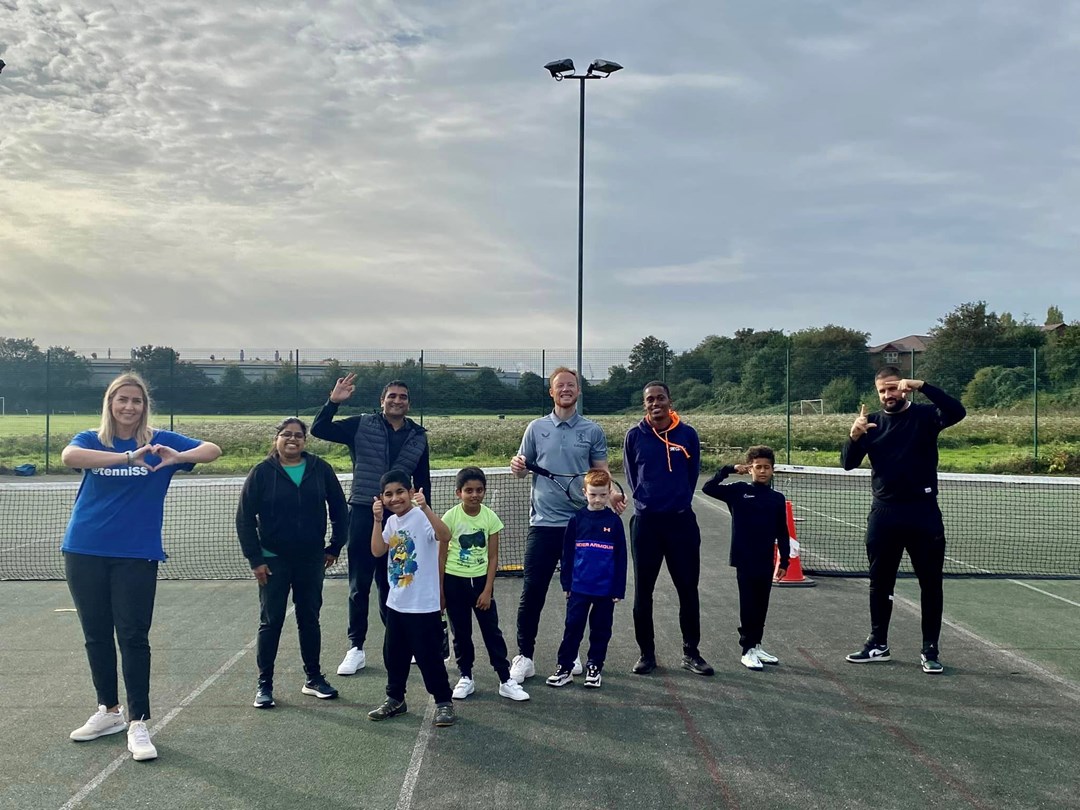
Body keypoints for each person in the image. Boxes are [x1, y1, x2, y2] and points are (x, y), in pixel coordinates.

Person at [61, 373, 221, 761]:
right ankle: (109, 711)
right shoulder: (91, 439)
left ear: (144, 406)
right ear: (110, 404)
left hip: (136, 553)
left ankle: (138, 723)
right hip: (84, 549)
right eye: (122, 400)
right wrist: (129, 457)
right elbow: (70, 457)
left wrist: (177, 456)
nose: (129, 407)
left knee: (133, 636)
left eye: (136, 401)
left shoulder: (161, 440)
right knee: (96, 634)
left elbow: (213, 449)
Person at [840, 367, 966, 674]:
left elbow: (957, 411)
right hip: (884, 515)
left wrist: (924, 385)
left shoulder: (925, 417)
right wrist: (854, 436)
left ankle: (930, 649)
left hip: (923, 513)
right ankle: (877, 644)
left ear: (904, 388)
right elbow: (847, 464)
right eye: (882, 390)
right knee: (879, 583)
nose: (888, 395)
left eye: (893, 388)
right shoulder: (872, 424)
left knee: (931, 585)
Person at [508, 367, 625, 683]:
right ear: (551, 392)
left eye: (571, 385)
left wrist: (612, 494)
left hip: (581, 525)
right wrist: (516, 465)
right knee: (532, 592)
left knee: (578, 592)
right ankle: (525, 656)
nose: (566, 390)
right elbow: (521, 468)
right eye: (560, 386)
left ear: (578, 391)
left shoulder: (592, 430)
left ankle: (570, 654)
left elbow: (600, 472)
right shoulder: (535, 428)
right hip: (543, 523)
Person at [311, 375, 431, 677]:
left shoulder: (418, 436)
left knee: (394, 582)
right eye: (392, 396)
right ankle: (356, 648)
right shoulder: (361, 424)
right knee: (359, 585)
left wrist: (426, 517)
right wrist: (334, 401)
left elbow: (423, 481)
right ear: (382, 401)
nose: (397, 401)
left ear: (408, 403)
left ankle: (400, 643)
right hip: (365, 513)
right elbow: (319, 428)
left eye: (403, 397)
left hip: (401, 519)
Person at [236, 418, 349, 709]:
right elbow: (245, 518)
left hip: (311, 559)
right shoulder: (261, 472)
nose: (292, 440)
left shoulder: (320, 469)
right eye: (286, 435)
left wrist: (334, 545)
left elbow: (339, 509)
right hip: (273, 561)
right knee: (270, 622)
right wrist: (256, 559)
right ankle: (265, 685)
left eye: (298, 436)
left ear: (305, 441)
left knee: (309, 619)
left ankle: (313, 679)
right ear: (277, 439)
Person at [623, 381, 713, 677]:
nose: (655, 403)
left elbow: (692, 475)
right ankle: (646, 654)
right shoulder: (634, 436)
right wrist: (649, 504)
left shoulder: (687, 435)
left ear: (669, 401)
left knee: (687, 589)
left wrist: (676, 503)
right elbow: (632, 478)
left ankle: (691, 653)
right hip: (646, 524)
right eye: (650, 399)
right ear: (644, 404)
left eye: (660, 398)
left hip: (681, 523)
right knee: (643, 592)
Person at [367, 470, 457, 727]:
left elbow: (445, 535)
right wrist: (376, 520)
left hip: (423, 605)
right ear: (382, 498)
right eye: (388, 494)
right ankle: (395, 699)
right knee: (393, 655)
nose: (395, 498)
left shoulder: (421, 517)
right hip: (396, 604)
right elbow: (377, 550)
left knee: (429, 657)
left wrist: (426, 507)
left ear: (410, 492)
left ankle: (443, 702)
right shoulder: (391, 522)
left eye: (400, 492)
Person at [440, 467, 529, 702]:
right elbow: (440, 557)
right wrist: (440, 592)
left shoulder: (490, 518)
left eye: (479, 490)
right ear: (458, 492)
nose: (474, 495)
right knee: (461, 633)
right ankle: (466, 677)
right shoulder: (450, 517)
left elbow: (493, 557)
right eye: (468, 490)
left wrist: (487, 589)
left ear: (484, 492)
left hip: (480, 584)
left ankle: (504, 678)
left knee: (492, 632)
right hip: (454, 582)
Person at [701, 446, 790, 671]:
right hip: (744, 558)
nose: (762, 471)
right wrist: (729, 469)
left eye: (766, 467)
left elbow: (782, 530)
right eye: (758, 467)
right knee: (748, 605)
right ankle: (746, 649)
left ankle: (757, 644)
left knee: (762, 605)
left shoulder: (777, 498)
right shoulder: (738, 490)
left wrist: (785, 560)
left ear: (772, 470)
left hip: (765, 559)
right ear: (750, 468)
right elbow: (708, 487)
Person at [546, 469, 627, 690]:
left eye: (602, 494)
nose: (598, 499)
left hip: (605, 590)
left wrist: (618, 589)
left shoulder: (614, 522)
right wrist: (566, 584)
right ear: (585, 493)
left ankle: (594, 667)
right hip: (579, 588)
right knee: (572, 628)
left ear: (609, 492)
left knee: (600, 630)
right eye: (593, 495)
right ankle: (564, 668)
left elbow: (621, 558)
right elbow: (568, 554)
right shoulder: (576, 520)